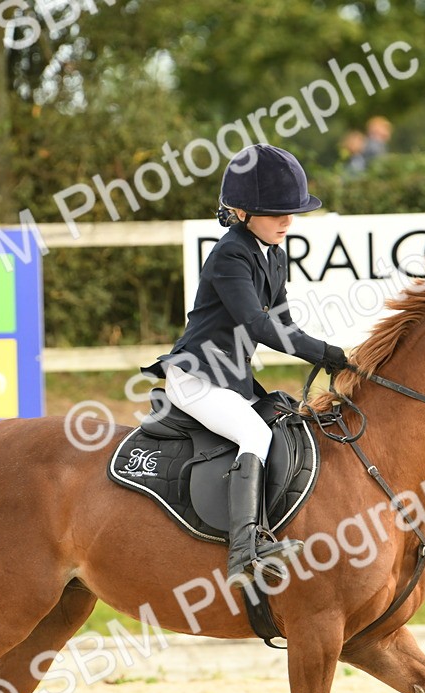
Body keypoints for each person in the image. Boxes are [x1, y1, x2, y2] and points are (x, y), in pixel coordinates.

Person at [143, 144, 347, 582]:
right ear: (240, 211)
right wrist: (324, 353)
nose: (288, 221)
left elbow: (283, 320)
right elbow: (257, 324)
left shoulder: (273, 252)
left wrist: (327, 352)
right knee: (254, 431)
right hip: (196, 377)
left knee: (284, 421)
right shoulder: (230, 254)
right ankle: (245, 548)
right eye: (277, 212)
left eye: (291, 212)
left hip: (232, 379)